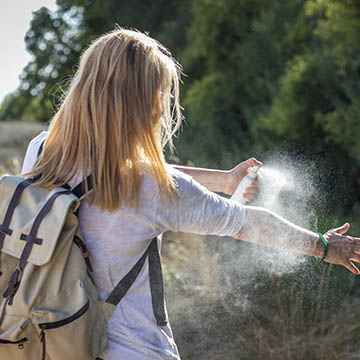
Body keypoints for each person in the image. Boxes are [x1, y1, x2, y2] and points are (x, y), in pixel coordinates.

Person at [21, 28, 360, 360]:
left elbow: (122, 172)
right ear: (142, 102)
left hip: (52, 342)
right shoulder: (150, 186)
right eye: (160, 93)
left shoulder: (41, 151)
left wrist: (225, 181)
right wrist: (324, 246)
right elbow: (248, 223)